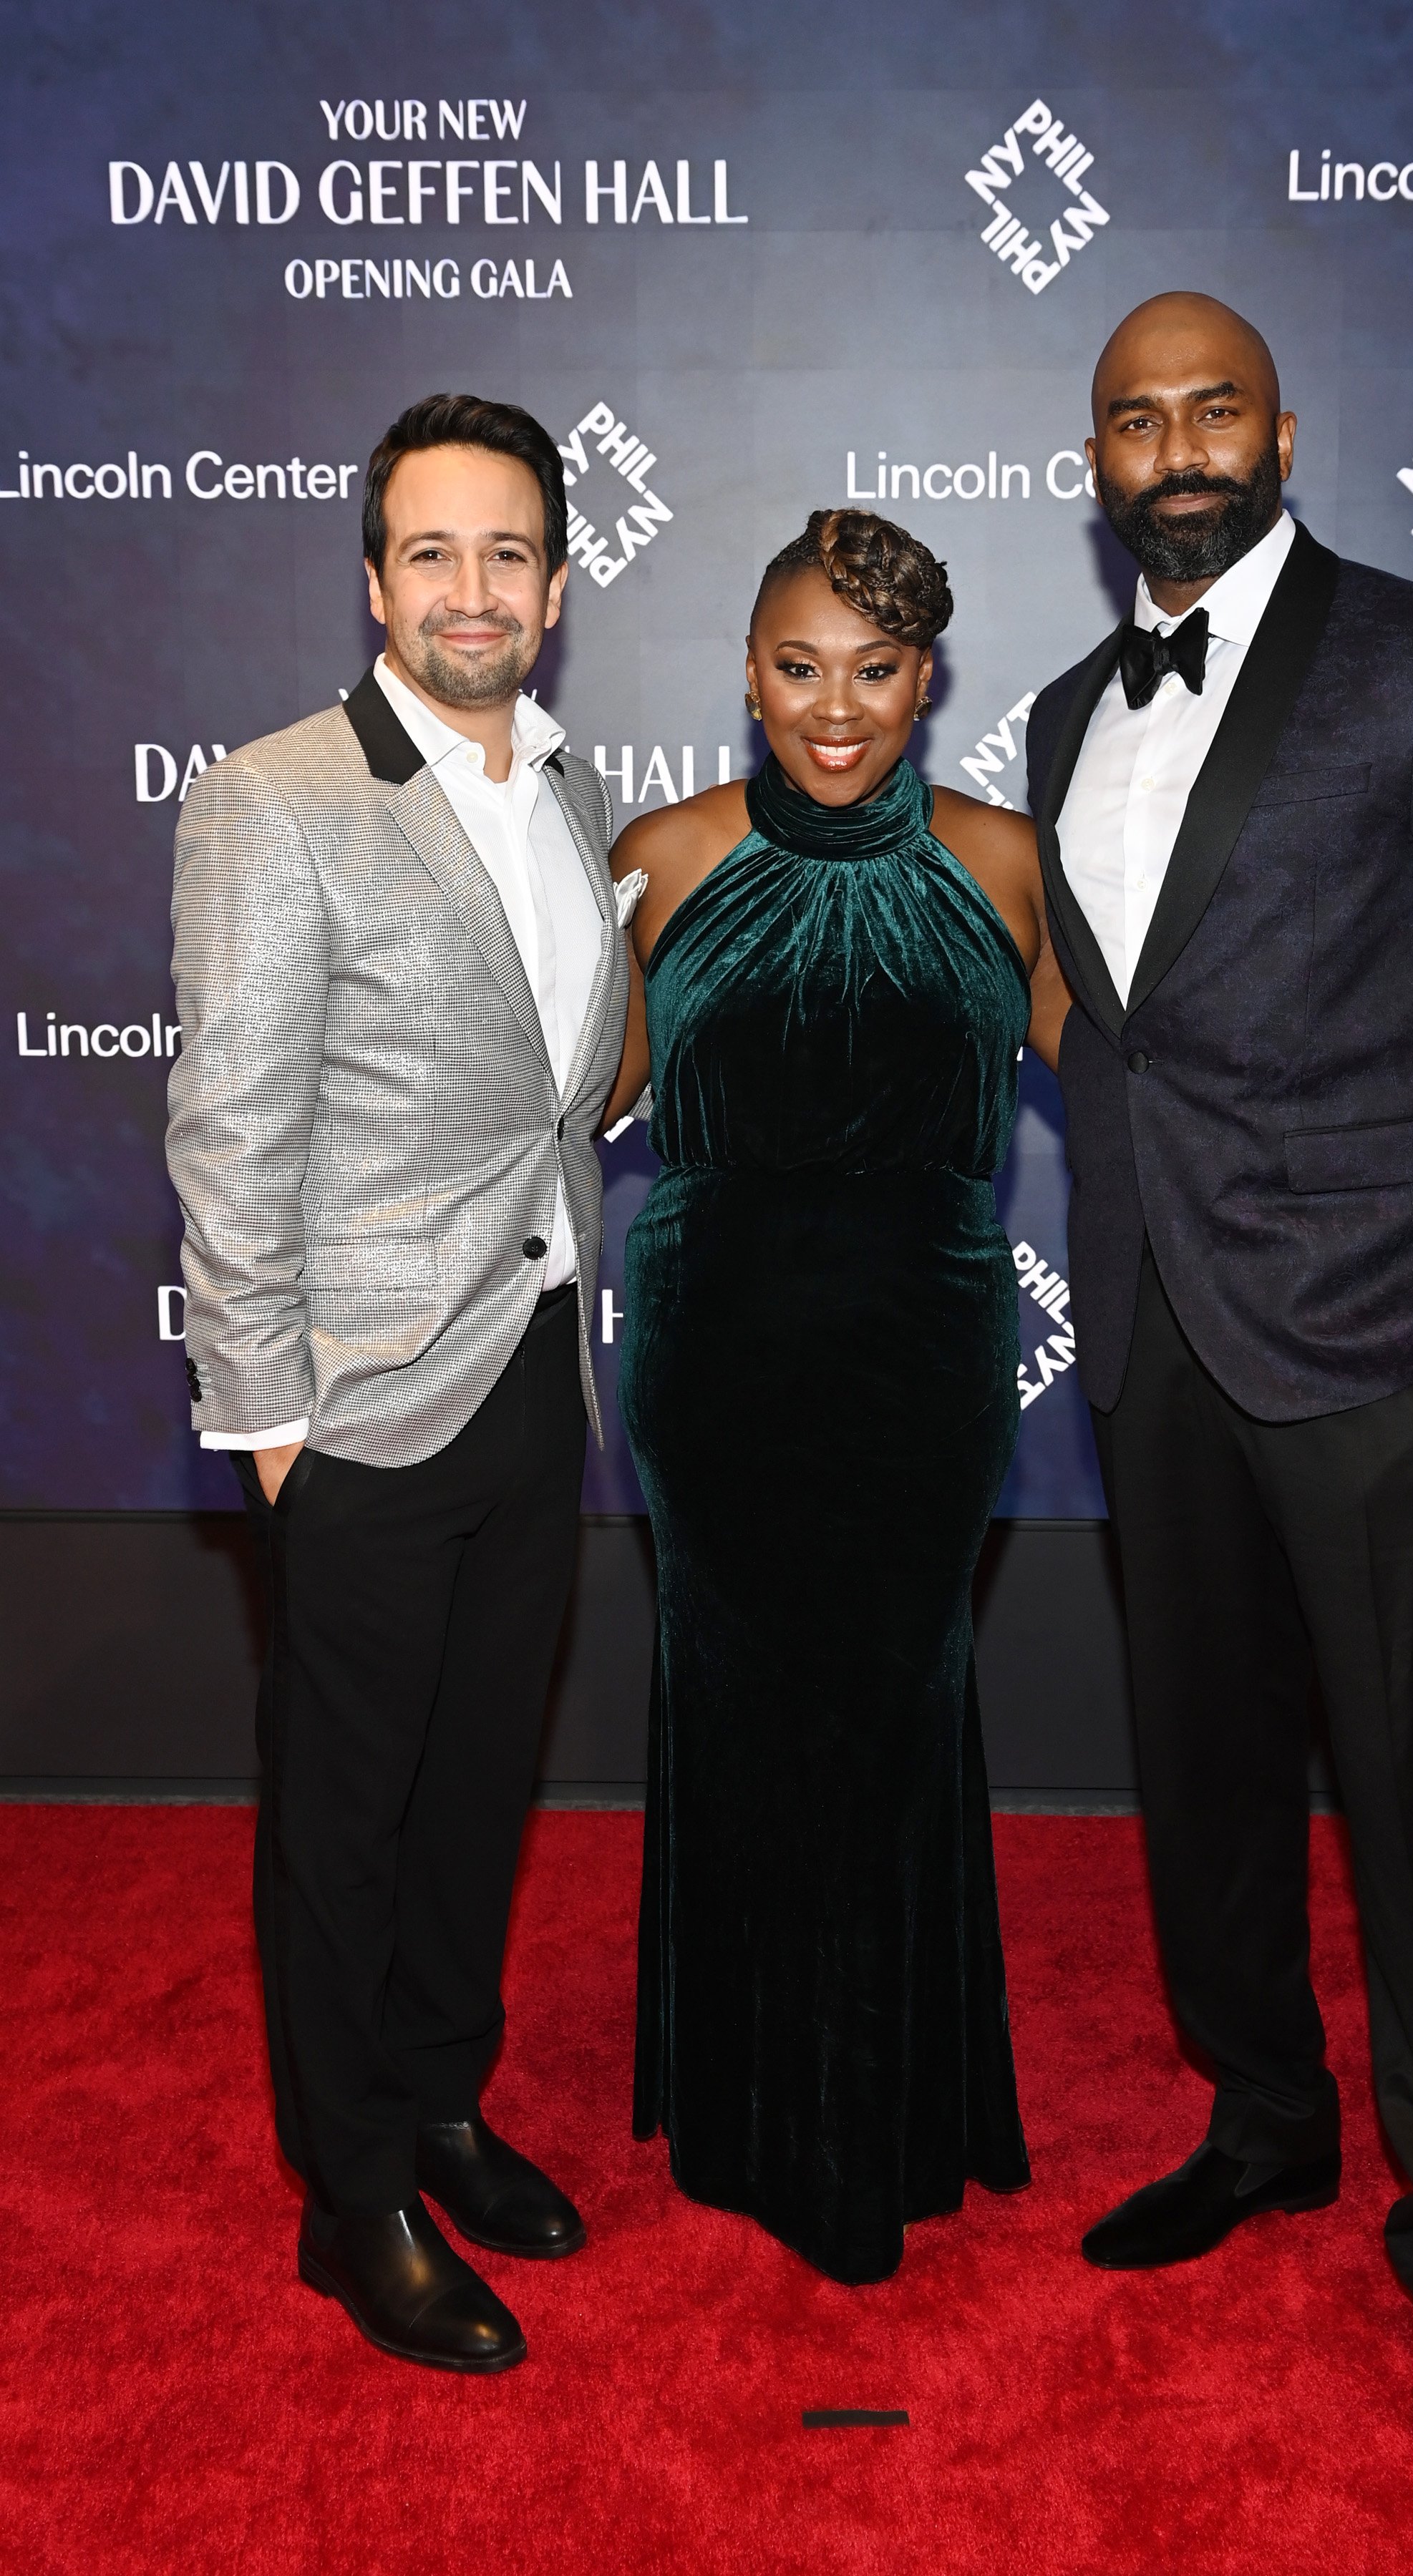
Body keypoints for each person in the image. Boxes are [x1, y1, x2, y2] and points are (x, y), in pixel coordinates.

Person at [1026, 295, 1413, 2485]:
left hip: (1385, 1332)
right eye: (1135, 418)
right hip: (1154, 1333)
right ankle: (1266, 2117)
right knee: (1205, 1774)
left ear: (1282, 432)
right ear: (1093, 460)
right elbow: (1118, 1027)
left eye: (1213, 408)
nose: (1176, 446)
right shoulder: (1057, 710)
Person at [165, 394, 632, 2373]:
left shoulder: (572, 789)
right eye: (432, 552)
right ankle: (349, 2195)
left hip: (533, 1369)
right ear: (374, 582)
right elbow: (228, 1127)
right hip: (354, 1408)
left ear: (554, 585)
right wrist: (271, 1421)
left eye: (508, 552)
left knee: (470, 1788)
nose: (472, 588)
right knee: (343, 1815)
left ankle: (442, 2101)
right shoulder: (276, 797)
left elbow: (555, 1099)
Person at [603, 508, 1069, 2284]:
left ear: (927, 680)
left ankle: (889, 2120)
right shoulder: (667, 854)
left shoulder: (1010, 865)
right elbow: (580, 1092)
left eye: (873, 672)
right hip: (715, 1365)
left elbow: (1139, 1087)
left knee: (889, 1712)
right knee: (732, 1706)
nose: (835, 709)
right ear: (743, 670)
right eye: (797, 669)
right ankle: (741, 2114)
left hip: (926, 1366)